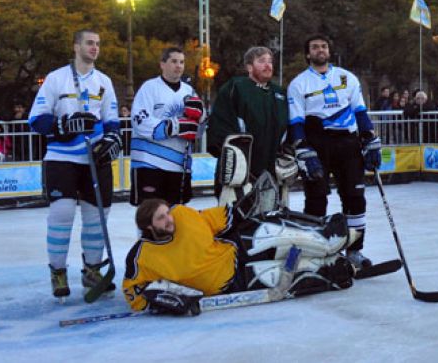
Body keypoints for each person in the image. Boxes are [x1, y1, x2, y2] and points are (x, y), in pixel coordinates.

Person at [122, 198, 354, 315]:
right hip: (231, 284)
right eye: (161, 218)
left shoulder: (182, 214)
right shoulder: (141, 257)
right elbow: (134, 293)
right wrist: (165, 301)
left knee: (270, 231)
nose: (169, 219)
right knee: (280, 275)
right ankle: (333, 269)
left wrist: (242, 206)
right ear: (148, 228)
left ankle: (327, 237)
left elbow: (219, 217)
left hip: (236, 248)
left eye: (167, 213)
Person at [28, 29, 122, 301]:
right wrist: (63, 126)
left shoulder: (103, 81)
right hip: (62, 158)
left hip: (95, 158)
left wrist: (113, 139)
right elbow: (36, 120)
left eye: (98, 44)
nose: (95, 48)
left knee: (97, 217)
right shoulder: (56, 79)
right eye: (90, 43)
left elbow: (112, 120)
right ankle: (57, 271)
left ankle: (92, 270)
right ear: (76, 46)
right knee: (63, 213)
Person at [286, 34, 380, 271]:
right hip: (318, 143)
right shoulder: (299, 84)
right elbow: (296, 121)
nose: (320, 50)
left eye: (324, 46)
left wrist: (369, 137)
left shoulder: (347, 78)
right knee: (316, 199)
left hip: (348, 144)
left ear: (329, 51)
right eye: (315, 47)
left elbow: (359, 111)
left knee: (355, 198)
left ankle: (355, 251)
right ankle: (315, 253)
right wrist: (302, 148)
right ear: (308, 54)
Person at [207, 46, 289, 201]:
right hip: (240, 174)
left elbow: (286, 132)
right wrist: (232, 161)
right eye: (262, 61)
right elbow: (220, 125)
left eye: (270, 61)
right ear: (249, 67)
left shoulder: (280, 94)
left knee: (271, 220)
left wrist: (287, 154)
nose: (268, 65)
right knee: (238, 220)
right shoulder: (236, 88)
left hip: (271, 172)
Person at [129, 46, 203, 207]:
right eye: (174, 61)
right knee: (150, 215)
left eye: (182, 62)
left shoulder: (189, 91)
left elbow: (197, 127)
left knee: (176, 217)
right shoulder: (149, 88)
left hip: (179, 166)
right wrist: (172, 127)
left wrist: (200, 115)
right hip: (149, 163)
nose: (178, 66)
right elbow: (139, 120)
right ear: (162, 64)